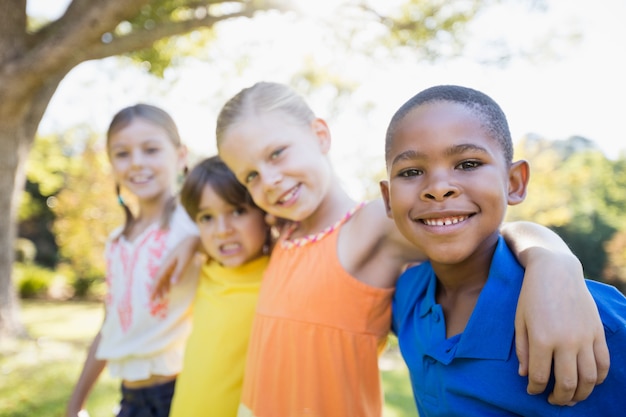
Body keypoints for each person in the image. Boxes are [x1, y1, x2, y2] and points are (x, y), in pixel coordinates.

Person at [208, 81, 608, 417]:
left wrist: (553, 263)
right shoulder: (283, 234)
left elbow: (484, 227)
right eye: (252, 175)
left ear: (319, 135)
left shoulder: (373, 225)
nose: (271, 180)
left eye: (277, 153)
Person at [383, 84, 626, 416]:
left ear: (514, 182)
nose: (438, 188)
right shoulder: (406, 297)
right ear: (387, 198)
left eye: (468, 164)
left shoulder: (589, 316)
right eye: (411, 172)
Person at [66, 104, 199, 417]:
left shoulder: (195, 224)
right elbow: (109, 326)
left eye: (151, 149)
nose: (137, 163)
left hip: (182, 393)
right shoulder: (116, 243)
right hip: (130, 398)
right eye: (122, 154)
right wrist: (76, 403)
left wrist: (197, 241)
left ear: (180, 156)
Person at [162, 156, 270, 417]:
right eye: (206, 217)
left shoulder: (278, 275)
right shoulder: (206, 269)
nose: (222, 230)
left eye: (238, 211)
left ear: (264, 211)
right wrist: (192, 242)